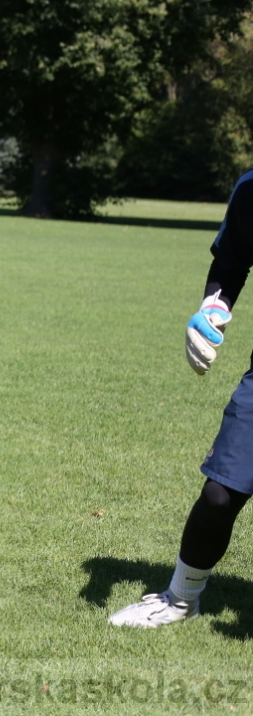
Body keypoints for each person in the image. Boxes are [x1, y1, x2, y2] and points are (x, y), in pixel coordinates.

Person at [109, 170, 253, 627]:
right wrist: (213, 309)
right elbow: (230, 264)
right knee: (219, 493)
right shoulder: (251, 191)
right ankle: (180, 600)